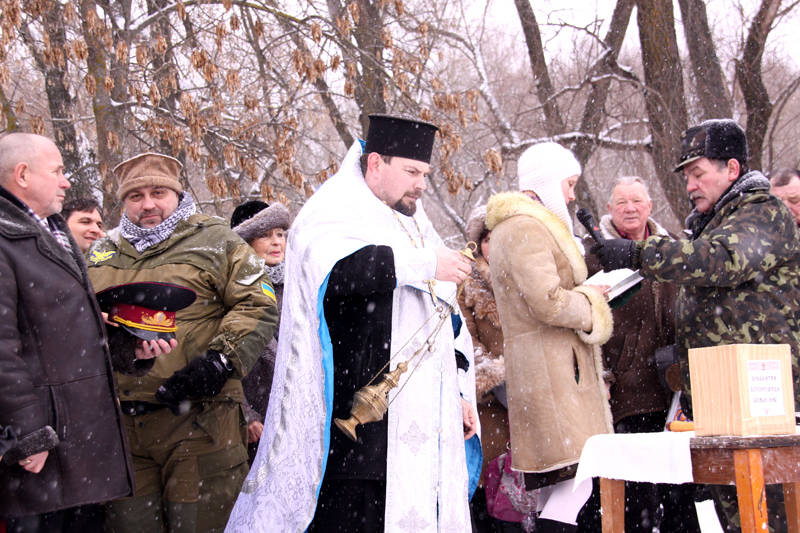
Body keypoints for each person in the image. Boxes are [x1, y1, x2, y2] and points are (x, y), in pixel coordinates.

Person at [225, 114, 481, 533]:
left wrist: (457, 391)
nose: (421, 184)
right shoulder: (333, 211)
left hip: (417, 432)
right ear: (376, 163)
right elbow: (334, 273)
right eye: (412, 172)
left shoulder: (416, 224)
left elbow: (442, 320)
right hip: (353, 431)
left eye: (425, 174)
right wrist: (421, 264)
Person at [591, 119, 800, 533]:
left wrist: (638, 253)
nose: (690, 186)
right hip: (719, 392)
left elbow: (722, 260)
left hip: (760, 394)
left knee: (766, 510)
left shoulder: (763, 212)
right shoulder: (717, 220)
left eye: (698, 174)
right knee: (735, 510)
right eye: (686, 177)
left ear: (732, 169)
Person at [86, 153, 279, 533]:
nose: (148, 204)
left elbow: (258, 302)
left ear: (177, 194)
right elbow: (82, 321)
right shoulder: (101, 253)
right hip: (125, 432)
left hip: (202, 424)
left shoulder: (215, 240)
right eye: (136, 196)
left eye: (158, 193)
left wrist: (220, 361)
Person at [0, 133, 172, 532]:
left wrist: (127, 349)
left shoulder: (49, 232)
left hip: (76, 445)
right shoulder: (7, 238)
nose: (66, 182)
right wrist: (27, 433)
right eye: (57, 171)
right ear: (22, 174)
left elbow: (58, 331)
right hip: (43, 450)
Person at [486, 142, 614, 533]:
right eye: (569, 184)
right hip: (551, 371)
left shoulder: (518, 226)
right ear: (547, 182)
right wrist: (592, 299)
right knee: (576, 483)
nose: (572, 195)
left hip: (545, 369)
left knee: (558, 484)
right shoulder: (525, 227)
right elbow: (548, 302)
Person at [577, 177, 700, 533]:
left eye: (637, 201)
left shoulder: (673, 247)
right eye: (621, 202)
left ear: (649, 206)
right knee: (636, 495)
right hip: (628, 389)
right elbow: (582, 324)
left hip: (676, 389)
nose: (630, 208)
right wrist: (601, 375)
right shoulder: (592, 255)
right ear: (609, 209)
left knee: (680, 492)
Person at [458, 205, 516, 532]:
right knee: (488, 497)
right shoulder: (466, 283)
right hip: (488, 408)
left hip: (534, 405)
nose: (495, 245)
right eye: (488, 239)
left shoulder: (535, 279)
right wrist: (497, 375)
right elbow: (464, 338)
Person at [229, 200, 290, 461]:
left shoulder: (297, 284)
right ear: (245, 243)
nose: (276, 242)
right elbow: (221, 357)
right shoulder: (232, 287)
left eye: (280, 234)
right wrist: (245, 414)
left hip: (292, 411)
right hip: (255, 418)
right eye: (264, 235)